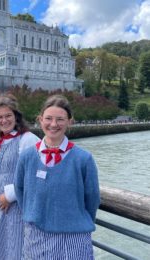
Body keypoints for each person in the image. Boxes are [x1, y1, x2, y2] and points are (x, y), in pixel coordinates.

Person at [15, 95, 100, 259]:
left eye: (60, 119)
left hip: (74, 238)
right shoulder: (27, 156)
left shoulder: (83, 159)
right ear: (40, 120)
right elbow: (20, 189)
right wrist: (32, 212)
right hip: (36, 236)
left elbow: (92, 198)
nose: (53, 124)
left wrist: (76, 220)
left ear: (70, 121)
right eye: (48, 118)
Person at [0, 95, 40, 260]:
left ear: (16, 116)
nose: (4, 120)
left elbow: (34, 175)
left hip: (15, 205)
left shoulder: (27, 139)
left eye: (8, 116)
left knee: (14, 246)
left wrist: (11, 195)